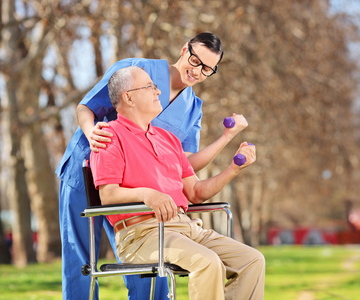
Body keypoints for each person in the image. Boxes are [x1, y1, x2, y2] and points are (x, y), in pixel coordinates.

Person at [56, 33, 248, 299]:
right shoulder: (138, 71)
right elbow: (87, 106)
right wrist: (91, 134)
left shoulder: (193, 107)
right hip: (87, 169)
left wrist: (226, 138)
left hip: (139, 190)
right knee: (81, 260)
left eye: (207, 69)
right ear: (184, 50)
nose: (197, 71)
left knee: (147, 271)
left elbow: (185, 163)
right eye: (195, 60)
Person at [90, 65, 265, 300]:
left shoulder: (169, 139)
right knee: (207, 262)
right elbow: (108, 195)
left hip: (185, 227)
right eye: (150, 86)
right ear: (128, 97)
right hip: (142, 235)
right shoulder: (109, 135)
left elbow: (195, 192)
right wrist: (148, 194)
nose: (158, 91)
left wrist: (234, 169)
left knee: (252, 260)